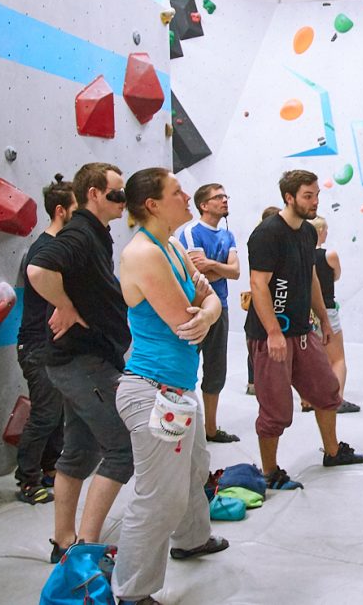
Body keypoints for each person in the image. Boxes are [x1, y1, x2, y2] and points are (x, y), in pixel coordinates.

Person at [113, 168, 229, 605]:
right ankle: (132, 591)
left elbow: (210, 298)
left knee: (197, 470)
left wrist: (209, 312)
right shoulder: (143, 254)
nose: (187, 197)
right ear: (153, 205)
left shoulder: (173, 247)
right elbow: (186, 320)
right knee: (158, 496)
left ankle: (192, 538)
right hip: (154, 392)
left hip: (179, 389)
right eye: (177, 192)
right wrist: (204, 313)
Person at [27, 162, 133, 562]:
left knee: (79, 453)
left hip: (82, 360)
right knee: (122, 450)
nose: (123, 201)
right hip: (81, 363)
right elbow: (38, 268)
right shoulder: (81, 232)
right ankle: (86, 550)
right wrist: (66, 305)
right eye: (116, 194)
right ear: (93, 193)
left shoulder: (96, 234)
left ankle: (64, 542)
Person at [245, 170, 363, 490]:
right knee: (276, 410)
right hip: (270, 335)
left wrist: (324, 320)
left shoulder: (307, 234)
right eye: (308, 196)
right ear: (289, 197)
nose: (314, 201)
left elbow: (310, 278)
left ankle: (332, 451)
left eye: (316, 195)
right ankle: (270, 473)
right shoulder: (267, 234)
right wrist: (272, 331)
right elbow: (258, 285)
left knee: (327, 393)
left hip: (303, 332)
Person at [13, 175, 77, 504]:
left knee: (57, 412)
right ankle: (27, 479)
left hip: (52, 343)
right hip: (38, 343)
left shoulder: (61, 246)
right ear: (61, 211)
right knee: (45, 413)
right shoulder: (46, 249)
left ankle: (50, 467)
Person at [177, 182, 240, 444]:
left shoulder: (229, 235)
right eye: (218, 197)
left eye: (225, 196)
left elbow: (235, 272)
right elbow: (196, 274)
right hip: (195, 308)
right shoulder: (191, 232)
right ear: (204, 205)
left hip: (221, 307)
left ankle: (210, 430)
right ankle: (178, 427)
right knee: (184, 367)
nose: (224, 200)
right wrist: (220, 268)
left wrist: (213, 265)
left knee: (216, 370)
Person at [304, 216, 359, 414]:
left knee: (312, 357)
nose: (327, 232)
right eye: (325, 229)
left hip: (304, 312)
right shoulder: (330, 255)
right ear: (319, 231)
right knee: (337, 359)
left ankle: (310, 398)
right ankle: (336, 400)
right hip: (326, 309)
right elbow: (336, 276)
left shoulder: (301, 254)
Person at [244, 205, 281, 398]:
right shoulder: (263, 240)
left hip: (261, 306)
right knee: (257, 343)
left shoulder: (261, 238)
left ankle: (253, 382)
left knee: (254, 343)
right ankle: (257, 383)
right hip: (265, 304)